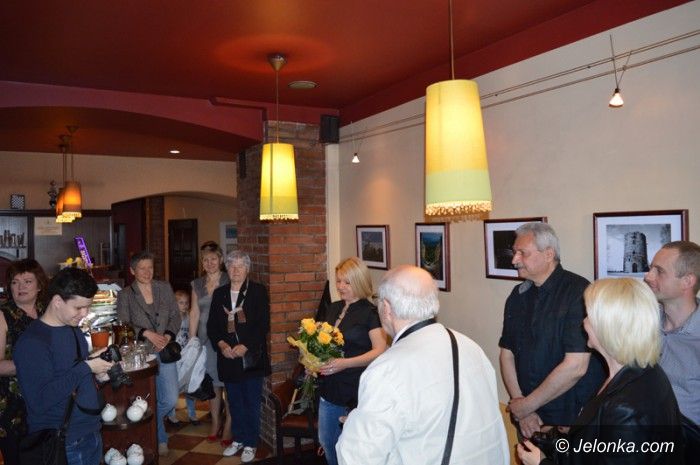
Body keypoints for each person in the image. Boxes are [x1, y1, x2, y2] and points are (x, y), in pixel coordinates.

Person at [336, 265, 509, 465]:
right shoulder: (471, 347)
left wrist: (355, 425)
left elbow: (356, 457)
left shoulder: (388, 368)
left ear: (387, 308)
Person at [517, 278, 685, 465]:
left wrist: (540, 463)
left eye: (588, 315)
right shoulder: (643, 371)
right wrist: (573, 433)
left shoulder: (626, 408)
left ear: (606, 327)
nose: (584, 322)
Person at [499, 222, 605, 438]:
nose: (514, 260)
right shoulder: (518, 295)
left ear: (548, 254)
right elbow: (506, 353)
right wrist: (521, 405)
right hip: (527, 419)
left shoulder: (579, 293)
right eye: (515, 252)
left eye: (522, 253)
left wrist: (527, 406)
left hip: (569, 423)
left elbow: (576, 366)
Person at [14, 267, 113, 465]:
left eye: (88, 307)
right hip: (64, 441)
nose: (84, 314)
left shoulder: (73, 330)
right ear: (57, 301)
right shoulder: (32, 342)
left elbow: (73, 380)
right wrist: (86, 368)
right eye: (78, 308)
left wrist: (98, 376)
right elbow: (40, 401)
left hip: (90, 432)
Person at [314, 257, 386, 465]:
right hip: (328, 387)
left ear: (360, 282)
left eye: (347, 282)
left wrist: (345, 363)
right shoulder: (333, 308)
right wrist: (313, 362)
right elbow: (321, 343)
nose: (340, 286)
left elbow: (380, 351)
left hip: (354, 390)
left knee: (351, 449)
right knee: (327, 442)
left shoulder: (371, 313)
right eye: (338, 281)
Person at [207, 250, 270, 463]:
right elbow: (212, 326)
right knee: (234, 402)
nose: (235, 270)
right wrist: (222, 344)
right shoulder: (220, 294)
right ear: (227, 268)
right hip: (228, 358)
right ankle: (239, 439)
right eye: (232, 265)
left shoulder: (258, 291)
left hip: (250, 358)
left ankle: (251, 443)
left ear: (247, 269)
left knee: (251, 402)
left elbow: (262, 325)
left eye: (240, 266)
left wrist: (246, 346)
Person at [116, 251, 181, 456]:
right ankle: (160, 438)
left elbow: (176, 316)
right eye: (142, 268)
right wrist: (146, 333)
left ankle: (149, 422)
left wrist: (168, 336)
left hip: (165, 350)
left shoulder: (164, 287)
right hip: (141, 354)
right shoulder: (125, 294)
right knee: (149, 395)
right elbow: (123, 324)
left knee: (170, 399)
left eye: (150, 267)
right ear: (132, 270)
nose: (147, 272)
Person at [644, 241, 700, 458]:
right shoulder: (641, 324)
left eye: (659, 271)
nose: (648, 277)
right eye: (651, 268)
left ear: (687, 281)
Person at [0, 259, 49, 465]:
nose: (20, 287)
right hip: (14, 405)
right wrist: (32, 366)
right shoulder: (3, 315)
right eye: (15, 282)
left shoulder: (47, 310)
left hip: (46, 400)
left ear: (39, 285)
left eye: (27, 281)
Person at [187, 241, 232, 445]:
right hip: (206, 341)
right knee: (213, 383)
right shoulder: (197, 284)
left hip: (226, 339)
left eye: (213, 259)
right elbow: (194, 312)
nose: (210, 263)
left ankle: (229, 423)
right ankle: (215, 422)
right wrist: (192, 340)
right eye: (205, 260)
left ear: (221, 260)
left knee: (228, 382)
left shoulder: (229, 279)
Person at [167, 289, 198, 426]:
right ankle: (171, 414)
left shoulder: (189, 318)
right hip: (174, 357)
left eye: (186, 303)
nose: (184, 305)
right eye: (181, 303)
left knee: (189, 384)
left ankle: (192, 413)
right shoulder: (171, 319)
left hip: (186, 355)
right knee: (173, 386)